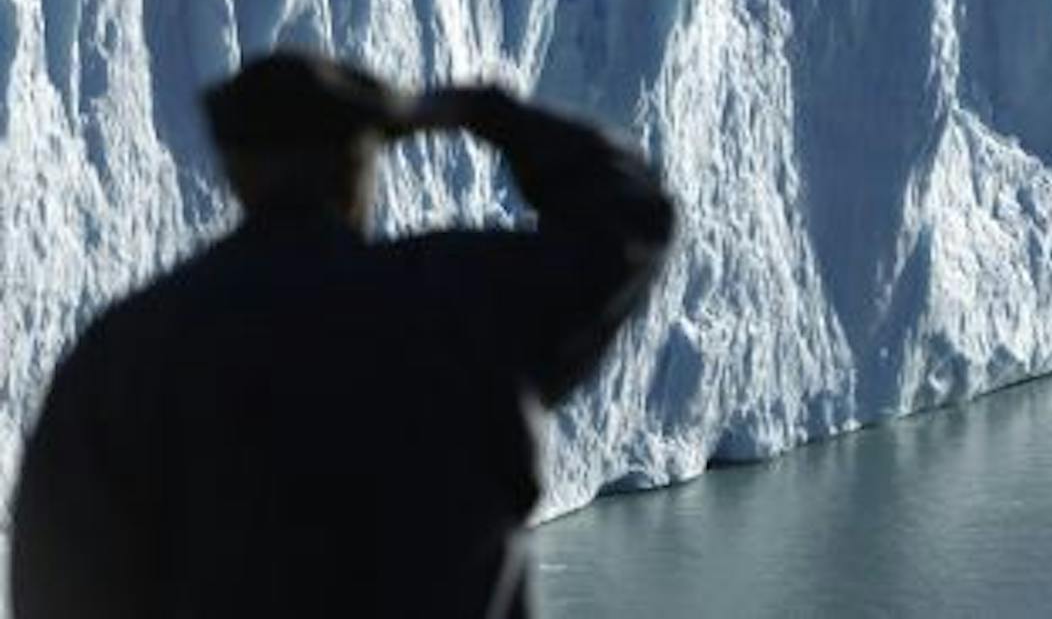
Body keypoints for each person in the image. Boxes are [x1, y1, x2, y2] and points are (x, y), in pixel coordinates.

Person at [8, 52, 676, 619]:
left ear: (235, 170)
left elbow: (54, 570)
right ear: (363, 166)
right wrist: (483, 113)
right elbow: (630, 218)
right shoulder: (456, 305)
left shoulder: (128, 350)